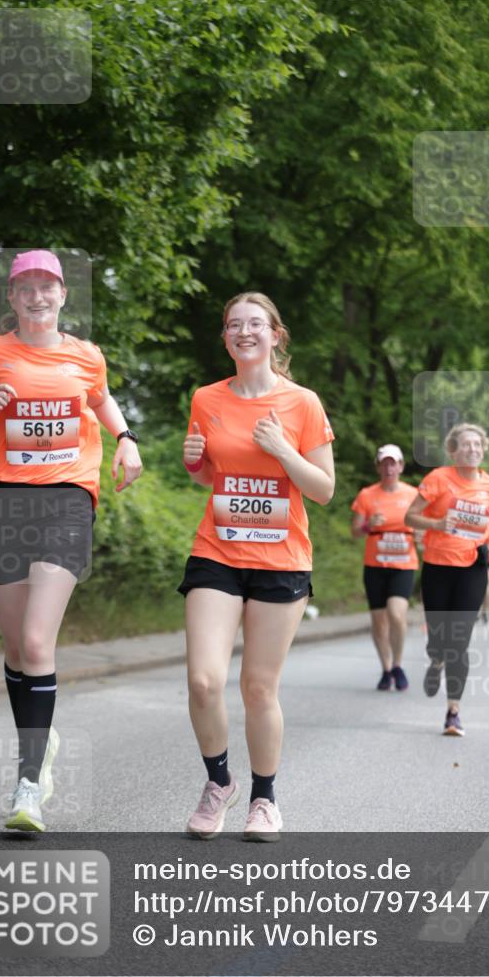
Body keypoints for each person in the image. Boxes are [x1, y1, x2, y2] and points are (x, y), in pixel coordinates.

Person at [0, 250, 142, 831]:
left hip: (67, 500)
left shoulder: (85, 354)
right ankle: (40, 738)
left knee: (36, 643)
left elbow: (101, 397)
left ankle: (29, 783)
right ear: (11, 298)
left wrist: (126, 439)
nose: (37, 297)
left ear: (62, 295)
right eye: (25, 288)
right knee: (14, 650)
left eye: (46, 287)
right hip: (3, 503)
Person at [179, 292, 334, 842]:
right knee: (203, 681)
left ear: (275, 335)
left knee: (258, 687)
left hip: (280, 560)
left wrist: (283, 450)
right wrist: (195, 463)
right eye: (233, 325)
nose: (244, 332)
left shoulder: (302, 403)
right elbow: (212, 474)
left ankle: (264, 799)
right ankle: (218, 782)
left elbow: (323, 489)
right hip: (217, 551)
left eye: (255, 324)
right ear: (225, 337)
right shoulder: (207, 398)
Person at [404, 423, 489, 736]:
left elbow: (487, 519)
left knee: (459, 641)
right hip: (437, 566)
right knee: (438, 638)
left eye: (477, 445)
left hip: (472, 567)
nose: (473, 449)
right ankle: (436, 660)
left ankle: (453, 712)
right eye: (466, 445)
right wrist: (437, 524)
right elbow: (409, 517)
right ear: (453, 451)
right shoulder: (438, 478)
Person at [351, 444, 418, 691]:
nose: (389, 468)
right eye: (385, 463)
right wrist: (368, 525)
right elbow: (355, 532)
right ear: (378, 467)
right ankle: (386, 668)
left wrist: (421, 533)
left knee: (396, 613)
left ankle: (398, 664)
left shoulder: (413, 494)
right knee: (379, 621)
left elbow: (424, 523)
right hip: (375, 565)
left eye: (394, 463)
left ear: (401, 466)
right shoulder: (367, 495)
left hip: (404, 564)